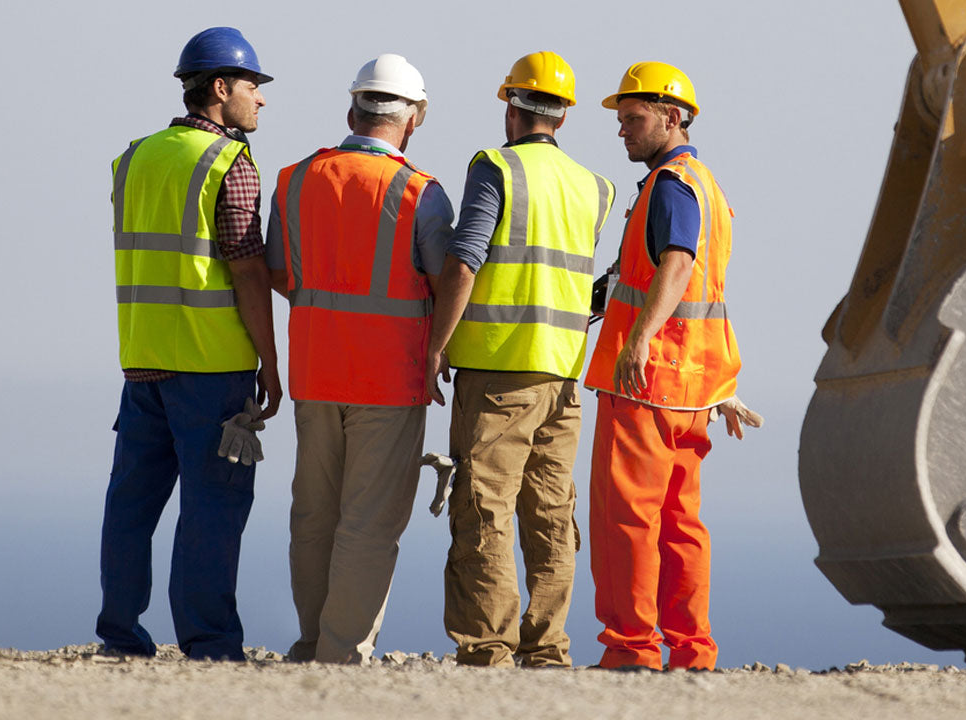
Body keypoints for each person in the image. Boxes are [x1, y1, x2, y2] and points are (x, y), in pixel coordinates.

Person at [95, 26, 282, 662]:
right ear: (221, 88)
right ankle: (209, 644)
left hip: (141, 359)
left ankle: (120, 635)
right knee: (214, 509)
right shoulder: (229, 163)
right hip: (212, 365)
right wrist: (272, 362)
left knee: (131, 503)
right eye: (253, 86)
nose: (261, 100)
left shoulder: (136, 155)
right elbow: (247, 266)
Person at [424, 50, 614, 668]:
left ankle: (488, 650)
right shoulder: (595, 186)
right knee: (551, 514)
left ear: (511, 105)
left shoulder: (496, 169)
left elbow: (465, 258)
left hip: (499, 370)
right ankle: (548, 649)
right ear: (563, 115)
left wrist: (435, 345)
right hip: (562, 377)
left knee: (485, 507)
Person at [266, 54, 454, 665]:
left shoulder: (293, 179)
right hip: (389, 382)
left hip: (315, 373)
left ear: (353, 109)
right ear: (415, 117)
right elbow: (444, 281)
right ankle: (342, 654)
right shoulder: (421, 194)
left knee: (314, 516)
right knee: (367, 524)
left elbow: (279, 271)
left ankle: (311, 640)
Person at [583, 61, 760, 672]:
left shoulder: (670, 184)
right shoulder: (707, 183)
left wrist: (637, 341)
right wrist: (725, 388)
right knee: (682, 526)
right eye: (621, 120)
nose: (623, 130)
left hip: (645, 384)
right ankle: (692, 651)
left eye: (633, 119)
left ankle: (631, 650)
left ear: (673, 117)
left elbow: (679, 264)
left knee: (625, 520)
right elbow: (706, 292)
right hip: (691, 392)